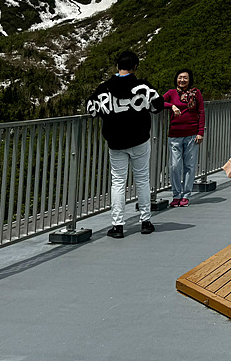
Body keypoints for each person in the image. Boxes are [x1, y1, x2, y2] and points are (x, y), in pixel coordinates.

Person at [86, 50, 164, 238]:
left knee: (118, 183)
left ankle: (118, 225)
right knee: (142, 179)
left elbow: (91, 108)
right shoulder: (142, 87)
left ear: (117, 66)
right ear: (135, 67)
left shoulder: (105, 88)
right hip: (140, 139)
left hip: (116, 142)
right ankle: (145, 221)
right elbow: (158, 105)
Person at [162, 68, 205, 208]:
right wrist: (172, 106)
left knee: (189, 166)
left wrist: (200, 132)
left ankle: (186, 195)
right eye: (180, 77)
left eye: (185, 78)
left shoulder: (196, 93)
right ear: (176, 79)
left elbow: (201, 112)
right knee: (174, 166)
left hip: (192, 134)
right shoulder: (171, 93)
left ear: (189, 80)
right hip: (175, 135)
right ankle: (176, 195)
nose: (182, 80)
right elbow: (158, 102)